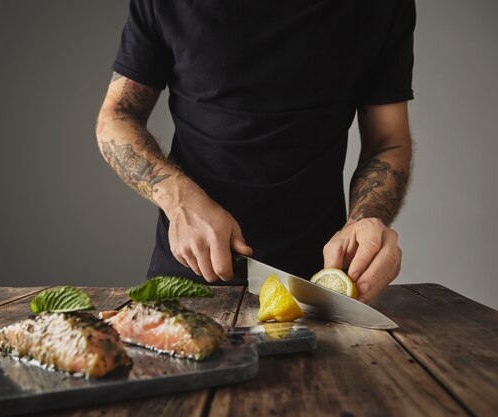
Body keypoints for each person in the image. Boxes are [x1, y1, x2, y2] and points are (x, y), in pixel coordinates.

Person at [96, 0, 415, 303]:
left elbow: (388, 142)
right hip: (188, 279)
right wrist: (179, 200)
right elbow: (117, 118)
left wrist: (367, 218)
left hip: (318, 285)